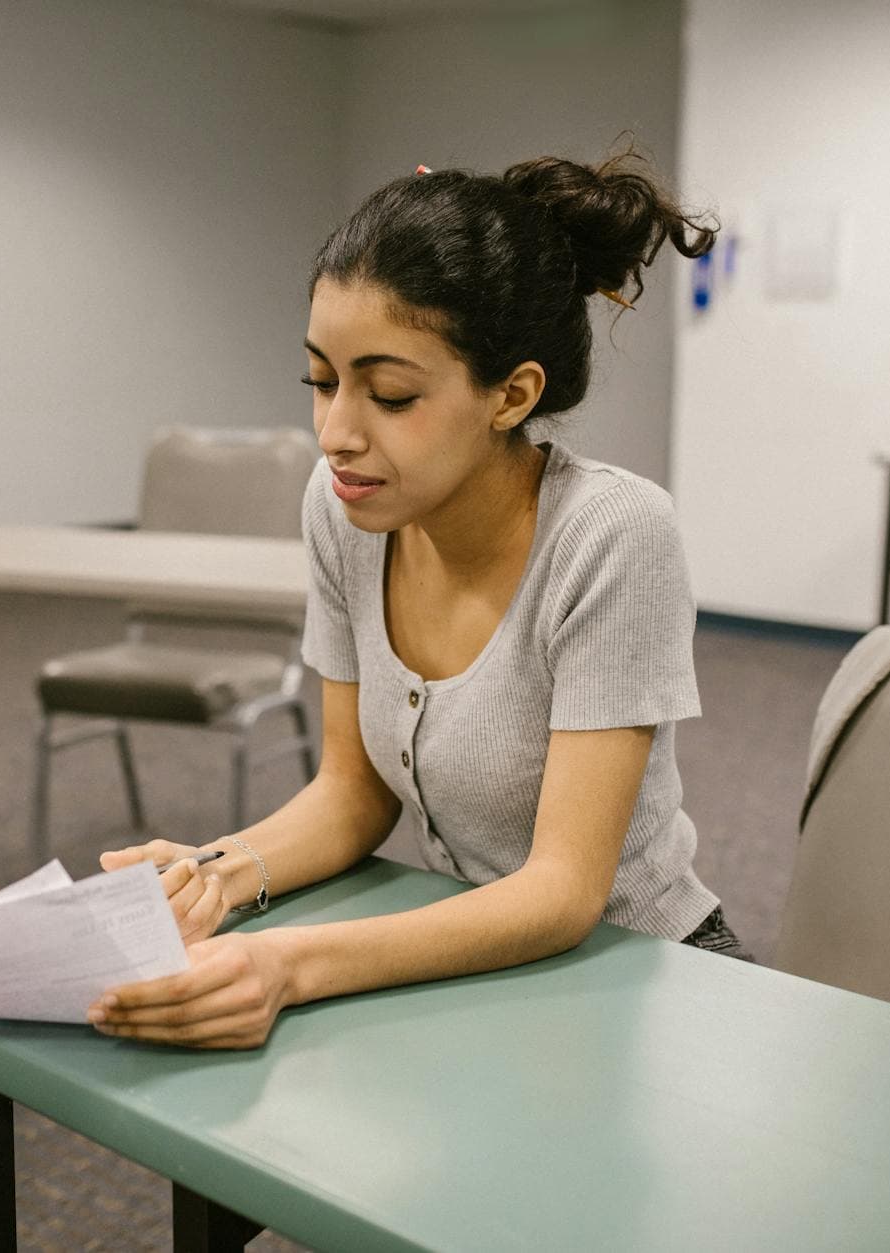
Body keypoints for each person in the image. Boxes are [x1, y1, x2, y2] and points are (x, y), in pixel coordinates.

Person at [89, 151, 746, 1051]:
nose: (336, 433)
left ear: (511, 395)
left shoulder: (611, 534)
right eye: (321, 381)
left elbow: (564, 890)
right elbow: (353, 791)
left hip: (642, 969)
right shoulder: (344, 505)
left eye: (390, 394)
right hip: (492, 961)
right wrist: (218, 871)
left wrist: (288, 964)